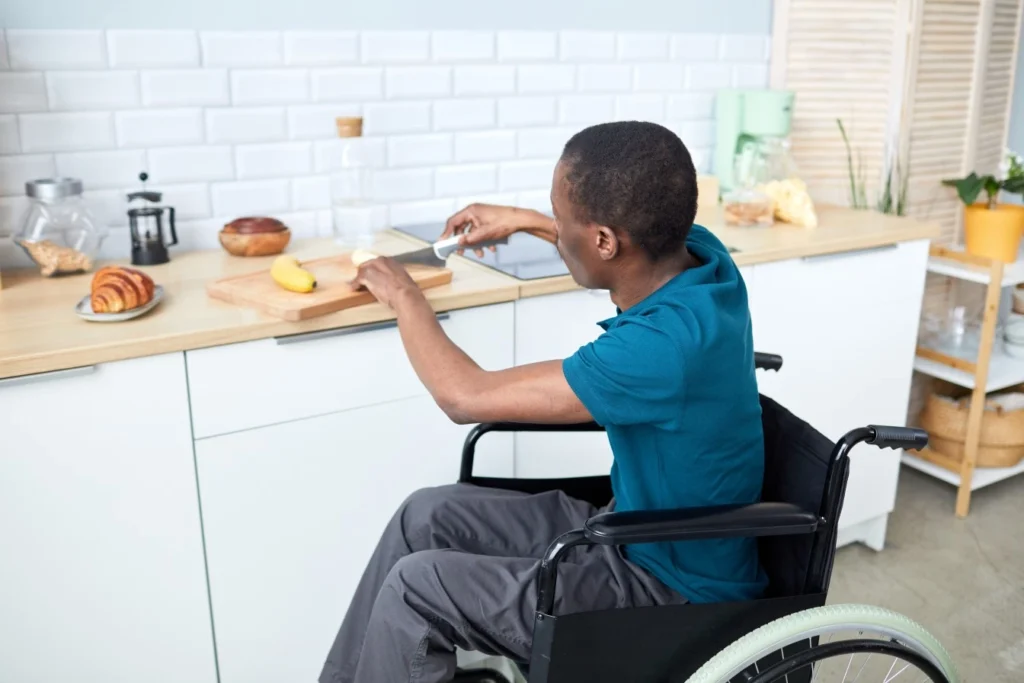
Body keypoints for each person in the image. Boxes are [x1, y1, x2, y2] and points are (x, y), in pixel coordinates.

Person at [319, 120, 768, 683]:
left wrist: (405, 293)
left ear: (605, 240)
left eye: (559, 218)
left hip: (663, 584)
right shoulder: (700, 257)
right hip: (627, 526)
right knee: (423, 516)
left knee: (417, 589)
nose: (553, 227)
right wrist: (523, 219)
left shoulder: (660, 349)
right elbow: (615, 237)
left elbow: (463, 396)